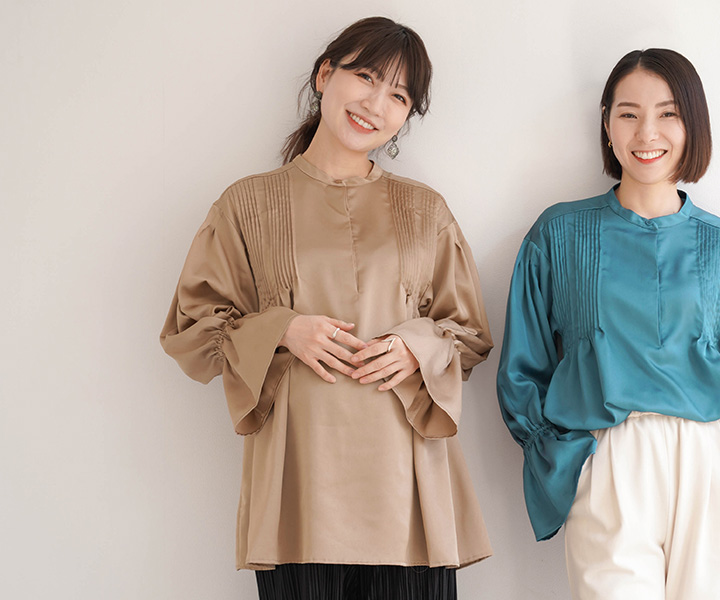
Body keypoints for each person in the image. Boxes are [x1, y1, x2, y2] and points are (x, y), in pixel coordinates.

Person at [161, 17, 492, 600]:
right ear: (324, 75)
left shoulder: (426, 210)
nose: (376, 104)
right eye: (366, 77)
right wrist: (282, 329)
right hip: (299, 494)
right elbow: (192, 329)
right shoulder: (247, 203)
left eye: (399, 96)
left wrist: (416, 346)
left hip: (406, 492)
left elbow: (467, 334)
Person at [496, 48, 720, 600]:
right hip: (606, 458)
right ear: (607, 124)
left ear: (692, 125)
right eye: (629, 114)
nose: (647, 132)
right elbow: (523, 367)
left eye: (668, 113)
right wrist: (562, 457)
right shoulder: (558, 235)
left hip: (712, 461)